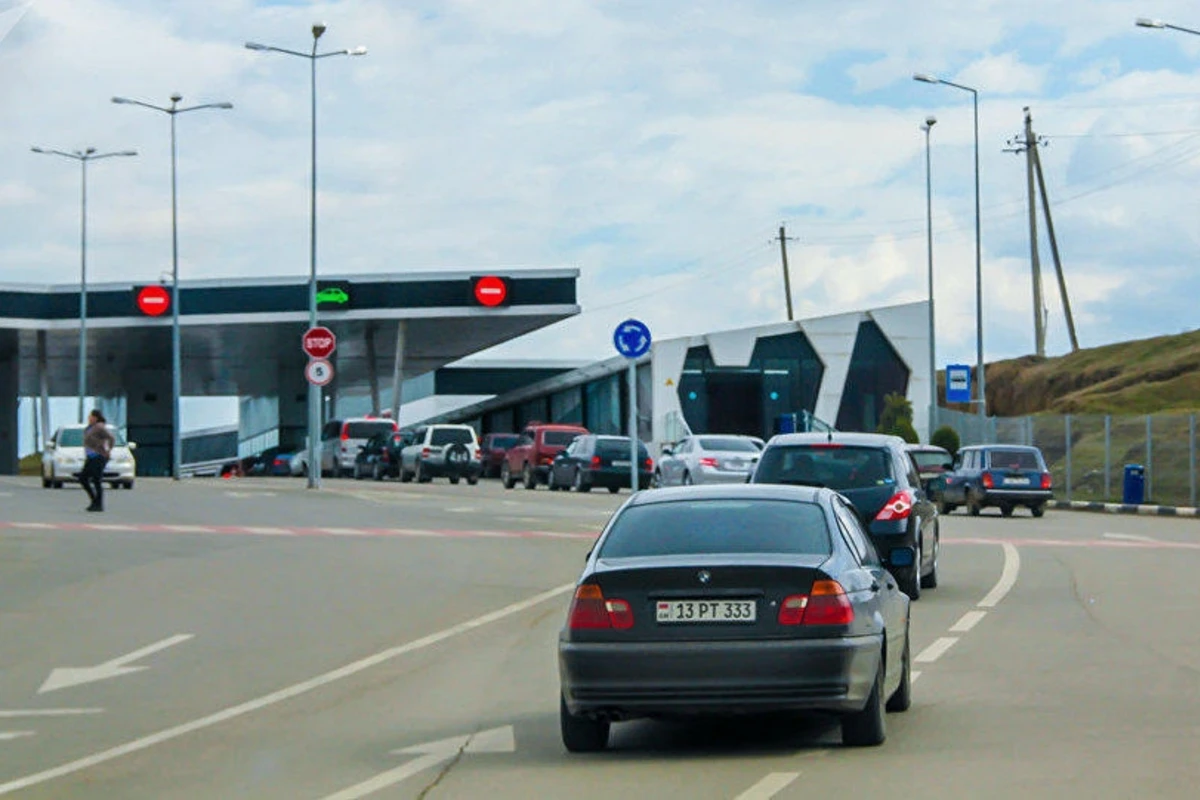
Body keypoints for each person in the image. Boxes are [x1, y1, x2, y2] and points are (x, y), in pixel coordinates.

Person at [81, 409, 115, 512]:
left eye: (91, 417)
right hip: (90, 456)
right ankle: (94, 500)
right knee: (83, 478)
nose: (89, 419)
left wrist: (108, 449)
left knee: (96, 480)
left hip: (99, 456)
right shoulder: (89, 428)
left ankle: (98, 504)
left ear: (95, 418)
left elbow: (111, 438)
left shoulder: (99, 427)